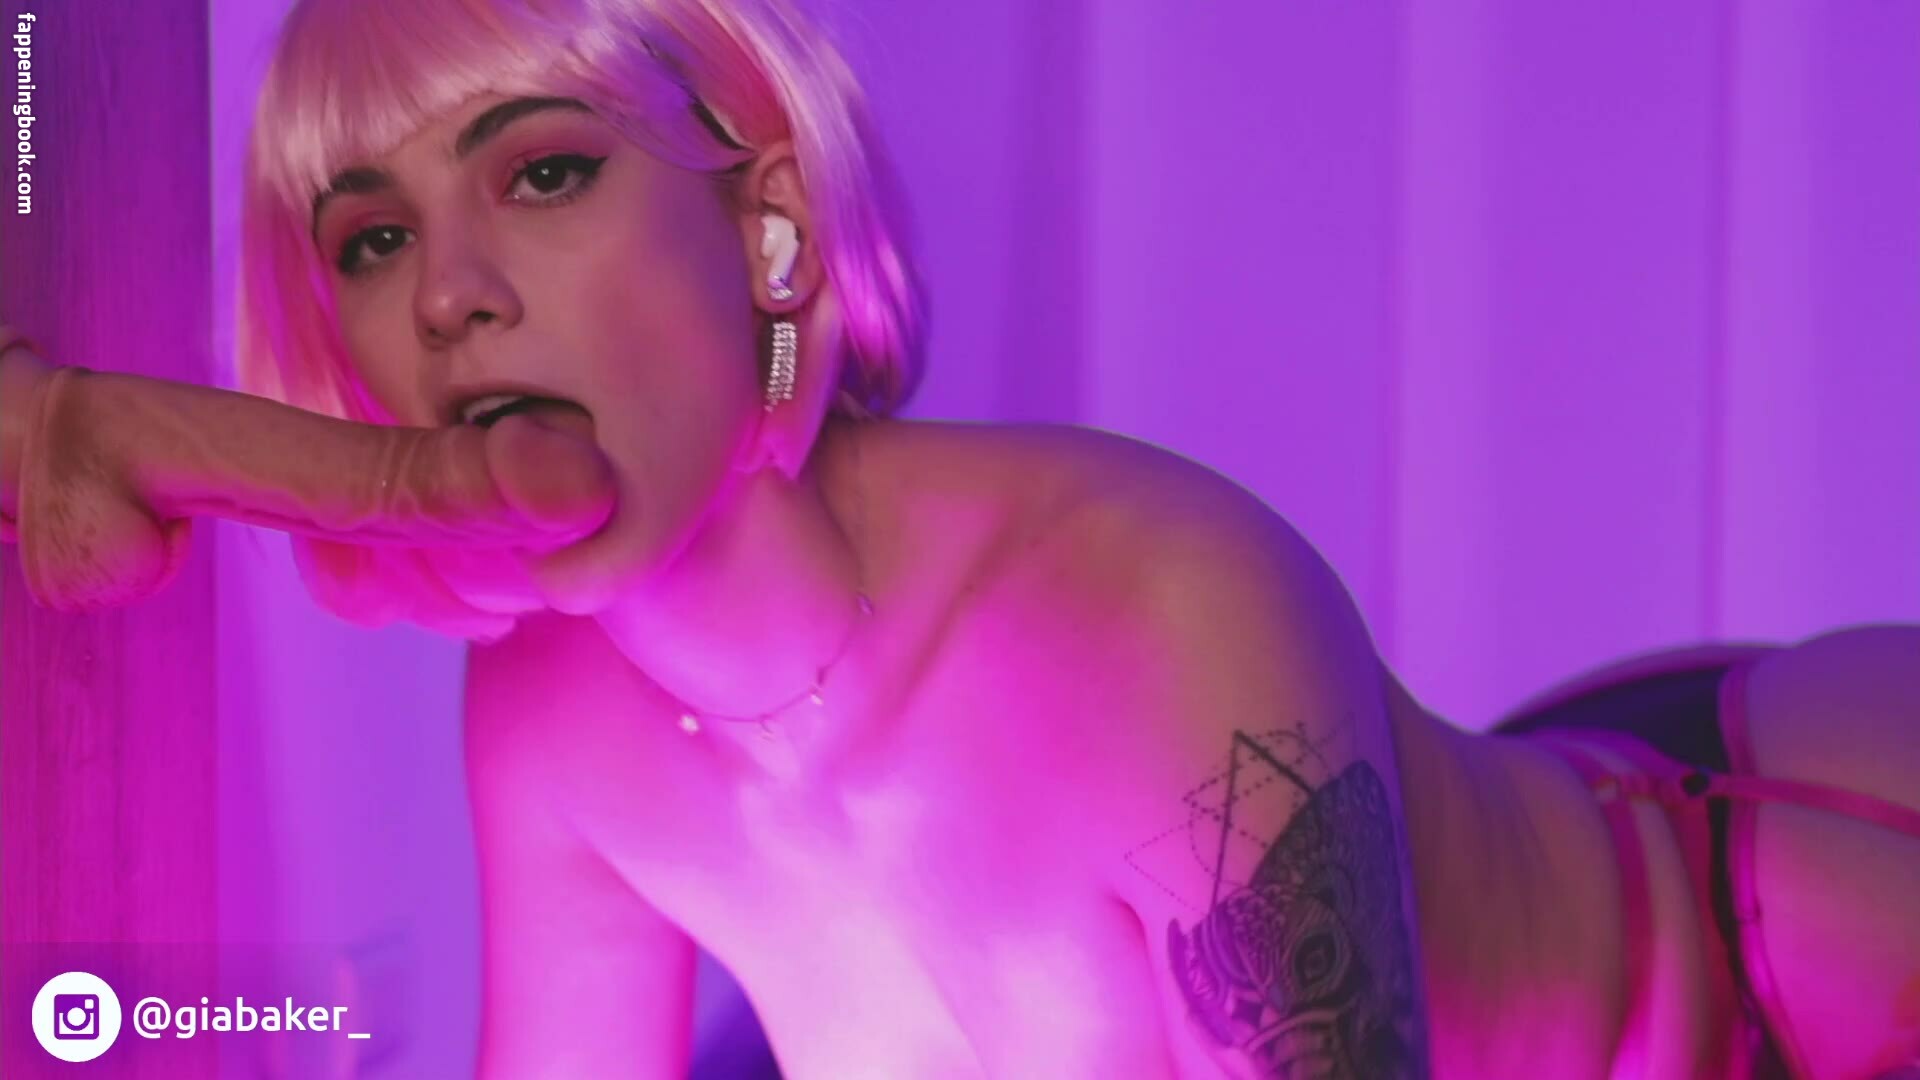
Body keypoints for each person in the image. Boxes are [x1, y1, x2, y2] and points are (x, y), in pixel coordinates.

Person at [2, 0, 1916, 1075]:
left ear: (767, 230)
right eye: (373, 237)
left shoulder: (1156, 612)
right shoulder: (551, 723)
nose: (449, 298)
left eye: (548, 171)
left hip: (1782, 916)